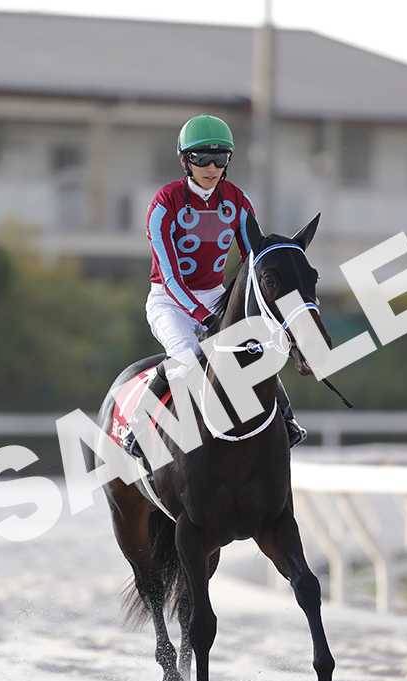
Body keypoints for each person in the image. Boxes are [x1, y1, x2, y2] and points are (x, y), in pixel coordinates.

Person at [121, 113, 307, 458]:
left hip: (215, 298)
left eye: (220, 159)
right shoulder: (163, 204)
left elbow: (253, 260)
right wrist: (204, 315)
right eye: (201, 158)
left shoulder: (238, 201)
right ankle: (137, 426)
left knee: (255, 351)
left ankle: (287, 417)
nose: (211, 167)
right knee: (189, 359)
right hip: (170, 301)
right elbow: (170, 277)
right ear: (184, 161)